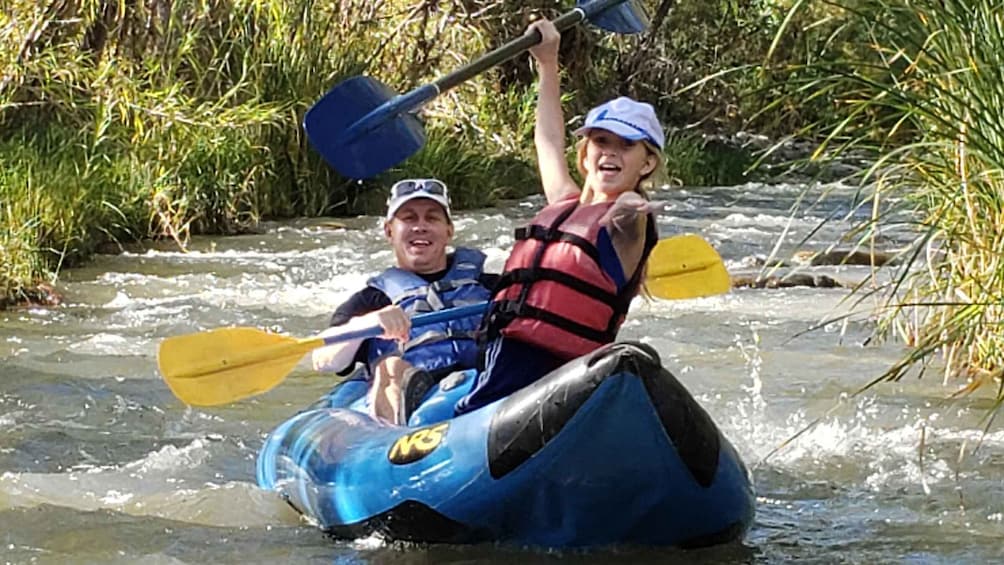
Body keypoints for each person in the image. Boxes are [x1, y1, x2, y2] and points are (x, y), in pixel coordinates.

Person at [455, 19, 665, 415]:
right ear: (585, 153)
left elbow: (626, 216)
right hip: (505, 357)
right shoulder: (563, 201)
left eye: (626, 146)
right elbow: (548, 140)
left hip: (560, 376)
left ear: (647, 162)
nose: (610, 153)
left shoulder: (629, 222)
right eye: (601, 141)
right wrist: (548, 65)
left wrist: (631, 208)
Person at [312, 179, 498, 424]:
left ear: (448, 231)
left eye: (431, 218)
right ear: (390, 231)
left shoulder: (493, 287)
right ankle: (400, 446)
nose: (420, 227)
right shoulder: (372, 299)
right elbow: (324, 360)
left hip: (487, 383)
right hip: (416, 399)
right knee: (389, 367)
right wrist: (368, 322)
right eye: (409, 218)